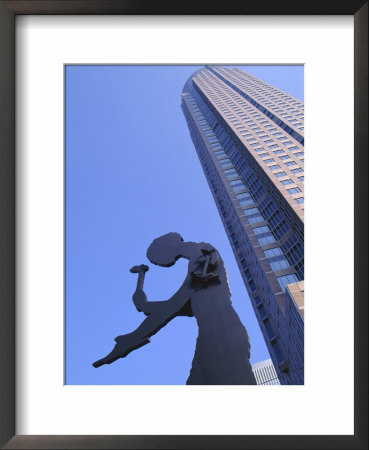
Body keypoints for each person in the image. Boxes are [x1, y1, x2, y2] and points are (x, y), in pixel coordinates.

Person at [93, 232, 256, 385]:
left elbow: (168, 309)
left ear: (165, 248)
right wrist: (141, 291)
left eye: (155, 259)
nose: (156, 262)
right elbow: (166, 308)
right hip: (214, 338)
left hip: (222, 338)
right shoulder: (198, 262)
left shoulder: (201, 254)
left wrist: (128, 339)